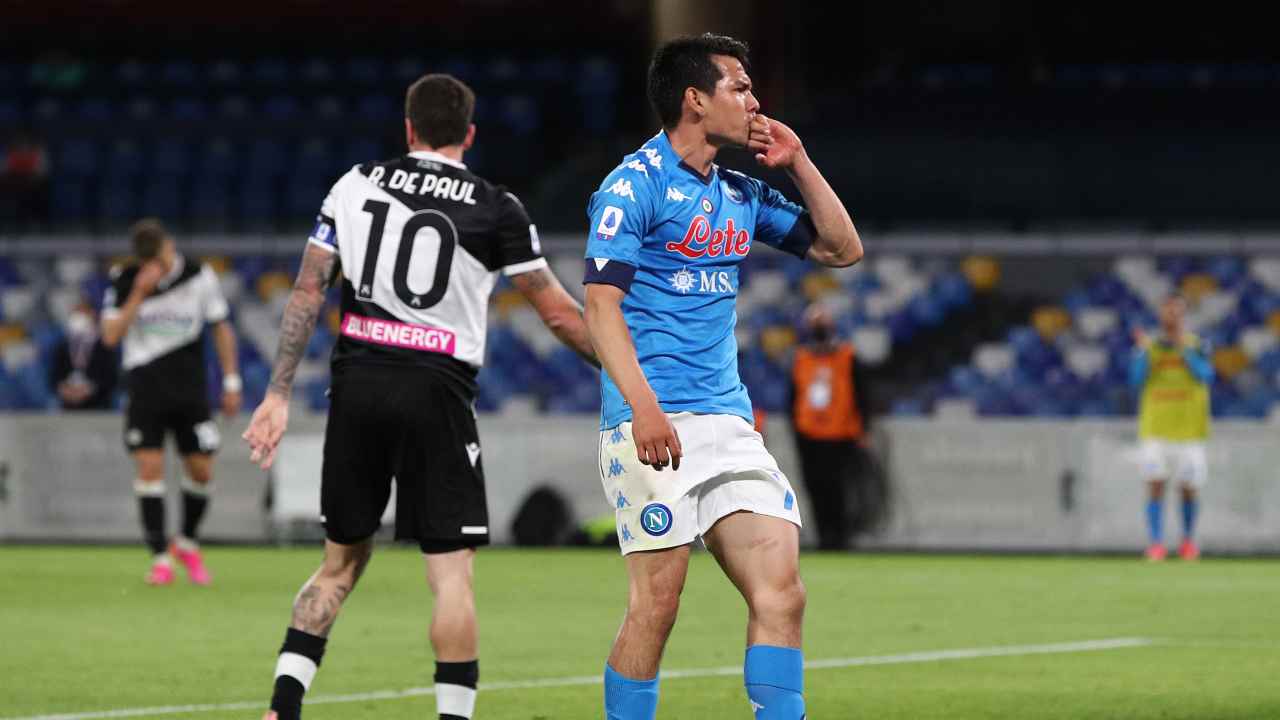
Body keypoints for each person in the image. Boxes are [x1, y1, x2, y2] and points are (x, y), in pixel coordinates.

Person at [241, 73, 597, 720]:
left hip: (357, 384)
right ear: (469, 134)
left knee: (339, 563)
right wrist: (628, 369)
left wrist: (277, 394)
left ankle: (283, 705)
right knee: (450, 574)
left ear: (408, 130)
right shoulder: (497, 207)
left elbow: (306, 290)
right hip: (437, 390)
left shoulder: (354, 185)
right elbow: (556, 314)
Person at [583, 34, 863, 720]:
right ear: (695, 100)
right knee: (660, 602)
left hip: (727, 423)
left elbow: (841, 248)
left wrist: (798, 163)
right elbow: (599, 304)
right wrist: (643, 408)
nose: (754, 100)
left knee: (783, 591)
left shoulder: (739, 191)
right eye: (739, 87)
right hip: (652, 421)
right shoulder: (632, 186)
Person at [101, 218, 241, 585]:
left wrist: (231, 380)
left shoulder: (199, 276)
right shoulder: (123, 278)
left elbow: (221, 327)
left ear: (169, 245)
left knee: (201, 470)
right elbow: (111, 336)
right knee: (149, 470)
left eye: (161, 258)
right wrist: (138, 294)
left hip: (190, 391)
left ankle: (188, 543)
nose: (158, 266)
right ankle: (160, 557)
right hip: (145, 389)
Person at [788, 302, 878, 551]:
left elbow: (863, 395)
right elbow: (793, 398)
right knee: (816, 487)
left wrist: (864, 429)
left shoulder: (847, 356)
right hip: (809, 435)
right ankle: (824, 538)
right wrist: (796, 431)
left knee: (840, 489)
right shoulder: (802, 358)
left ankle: (841, 538)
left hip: (841, 433)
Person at [1130, 295, 1213, 561]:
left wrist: (1183, 349)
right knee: (1155, 483)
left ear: (1184, 316)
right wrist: (1144, 352)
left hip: (1189, 429)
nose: (1171, 318)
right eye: (1167, 313)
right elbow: (1136, 379)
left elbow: (1206, 375)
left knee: (1189, 487)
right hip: (1156, 427)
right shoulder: (1150, 347)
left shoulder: (1197, 344)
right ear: (1161, 317)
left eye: (1176, 313)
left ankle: (1188, 541)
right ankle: (1156, 543)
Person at [48, 301, 117, 410]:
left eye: (82, 312)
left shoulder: (104, 344)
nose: (78, 317)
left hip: (97, 401)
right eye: (76, 312)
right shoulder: (63, 345)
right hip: (68, 399)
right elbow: (54, 375)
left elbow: (111, 377)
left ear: (92, 315)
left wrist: (90, 389)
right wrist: (63, 388)